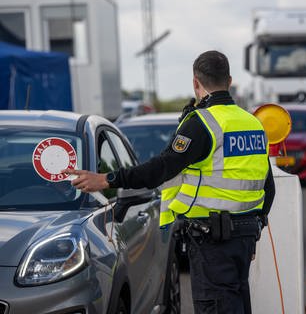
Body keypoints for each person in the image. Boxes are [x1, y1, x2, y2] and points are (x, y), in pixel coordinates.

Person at [63, 50, 275, 314]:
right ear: (229, 81)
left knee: (218, 306)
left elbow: (160, 168)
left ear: (196, 82)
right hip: (244, 237)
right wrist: (254, 231)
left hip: (213, 240)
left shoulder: (202, 123)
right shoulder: (253, 123)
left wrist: (107, 178)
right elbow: (268, 188)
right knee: (237, 304)